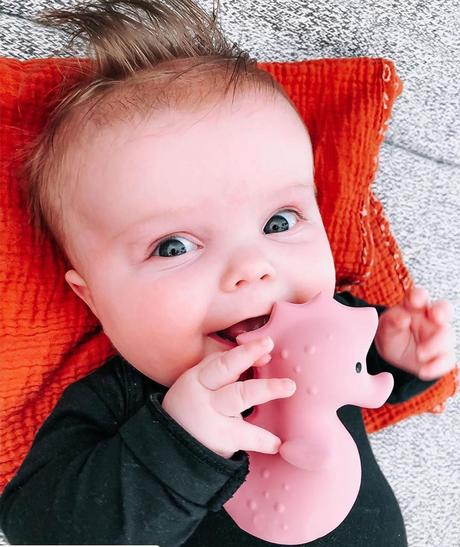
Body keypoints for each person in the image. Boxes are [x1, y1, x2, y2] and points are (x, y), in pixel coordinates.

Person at [0, 0, 456, 545]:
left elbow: (366, 386)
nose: (251, 269)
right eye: (173, 246)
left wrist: (399, 359)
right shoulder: (121, 405)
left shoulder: (336, 328)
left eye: (279, 222)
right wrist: (177, 446)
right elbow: (36, 527)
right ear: (92, 296)